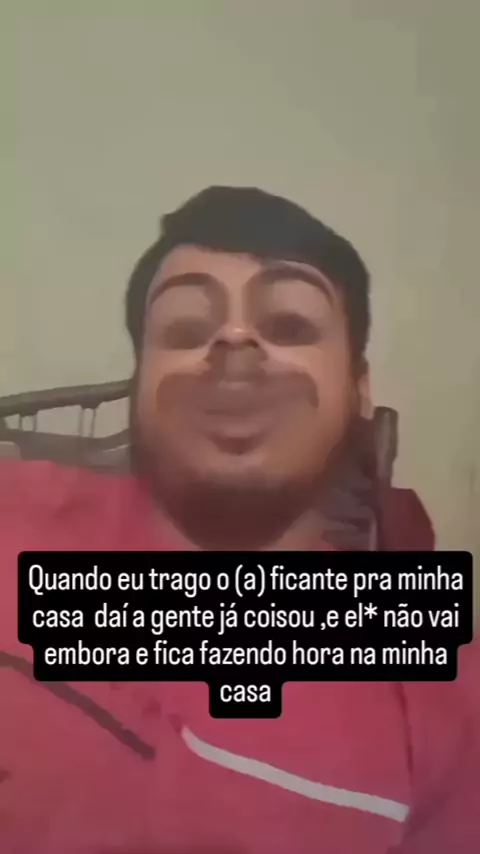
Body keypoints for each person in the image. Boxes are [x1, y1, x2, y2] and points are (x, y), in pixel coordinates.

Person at [0, 186, 478, 853]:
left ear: (359, 389)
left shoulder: (446, 687)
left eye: (290, 326)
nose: (233, 338)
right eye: (185, 330)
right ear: (141, 383)